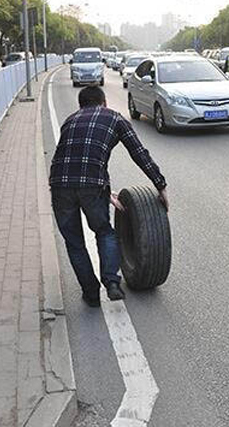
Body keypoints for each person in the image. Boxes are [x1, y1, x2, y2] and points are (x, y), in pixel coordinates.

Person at [49, 86, 168, 308]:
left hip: (59, 184)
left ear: (81, 105)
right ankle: (112, 282)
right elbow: (138, 153)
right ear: (104, 102)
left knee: (74, 242)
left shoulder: (69, 120)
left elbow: (72, 158)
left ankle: (91, 294)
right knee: (104, 232)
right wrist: (159, 184)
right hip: (92, 185)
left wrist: (106, 190)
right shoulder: (114, 117)